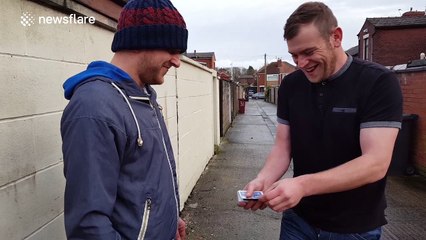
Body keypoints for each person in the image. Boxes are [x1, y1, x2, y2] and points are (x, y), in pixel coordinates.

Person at [239, 2, 402, 239]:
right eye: (294, 55)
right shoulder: (291, 86)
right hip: (299, 220)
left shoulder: (378, 82)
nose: (301, 63)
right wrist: (262, 180)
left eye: (308, 52)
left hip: (354, 227)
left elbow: (375, 163)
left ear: (336, 37)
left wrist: (302, 186)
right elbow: (283, 148)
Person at [60, 0, 188, 239]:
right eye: (172, 49)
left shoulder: (142, 95)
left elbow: (145, 180)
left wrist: (170, 220)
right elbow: (88, 225)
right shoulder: (95, 108)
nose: (177, 61)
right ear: (141, 41)